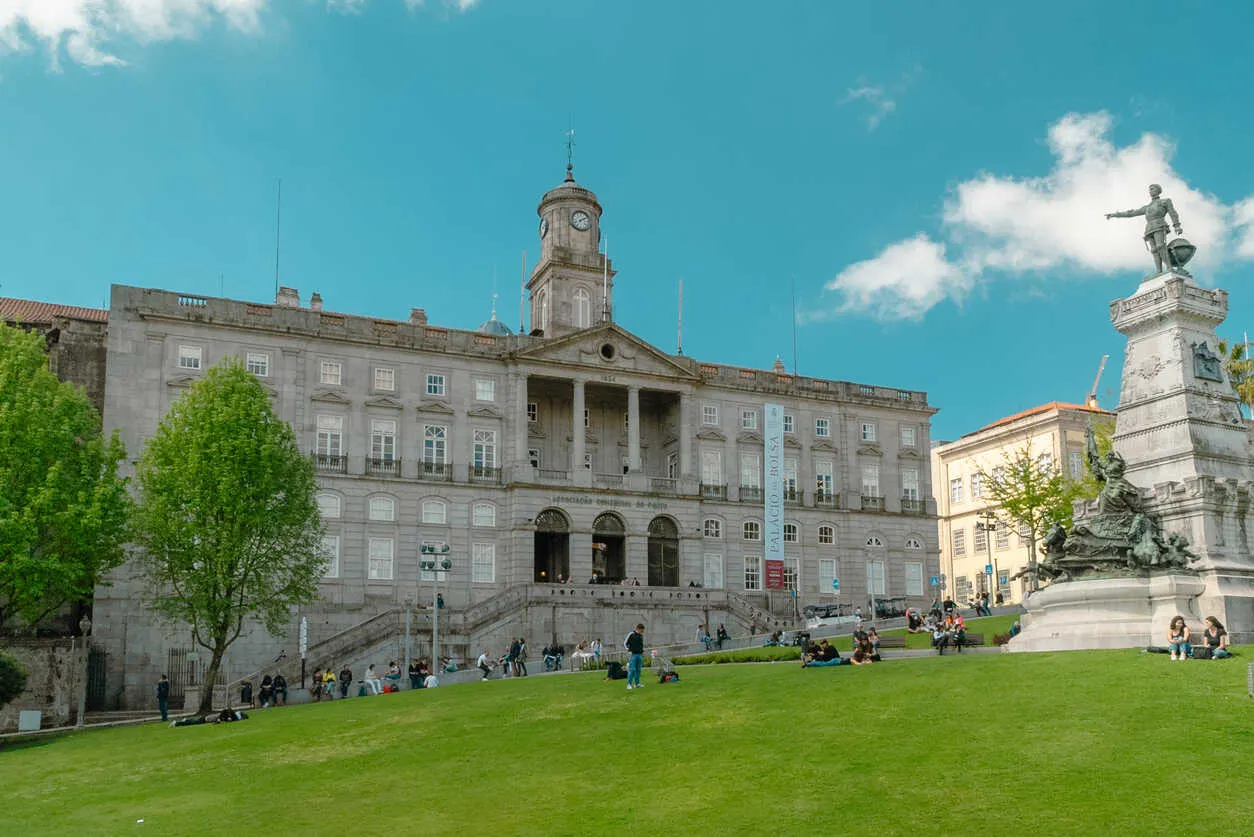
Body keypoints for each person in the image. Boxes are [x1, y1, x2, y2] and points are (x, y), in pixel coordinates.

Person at [624, 623, 646, 691]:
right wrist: (628, 650)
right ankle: (629, 684)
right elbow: (625, 643)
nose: (642, 632)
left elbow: (640, 645)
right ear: (638, 629)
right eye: (641, 630)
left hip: (639, 654)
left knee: (638, 670)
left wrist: (642, 650)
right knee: (632, 670)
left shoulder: (640, 636)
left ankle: (637, 684)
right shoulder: (631, 634)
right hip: (633, 654)